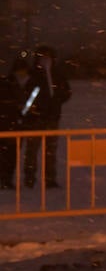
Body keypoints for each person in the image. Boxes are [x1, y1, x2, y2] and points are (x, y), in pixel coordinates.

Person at [20, 45, 71, 188]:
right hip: (35, 119)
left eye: (48, 57)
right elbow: (26, 95)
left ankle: (50, 178)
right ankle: (29, 178)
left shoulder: (57, 75)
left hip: (52, 118)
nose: (45, 61)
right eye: (42, 57)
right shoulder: (32, 76)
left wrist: (57, 100)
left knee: (50, 151)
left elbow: (66, 92)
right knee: (32, 150)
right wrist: (32, 109)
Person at [0, 53, 29, 188]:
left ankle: (7, 179)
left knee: (12, 155)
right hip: (7, 124)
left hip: (17, 124)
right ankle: (4, 180)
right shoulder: (7, 84)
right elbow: (6, 103)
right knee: (6, 154)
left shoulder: (30, 84)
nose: (22, 74)